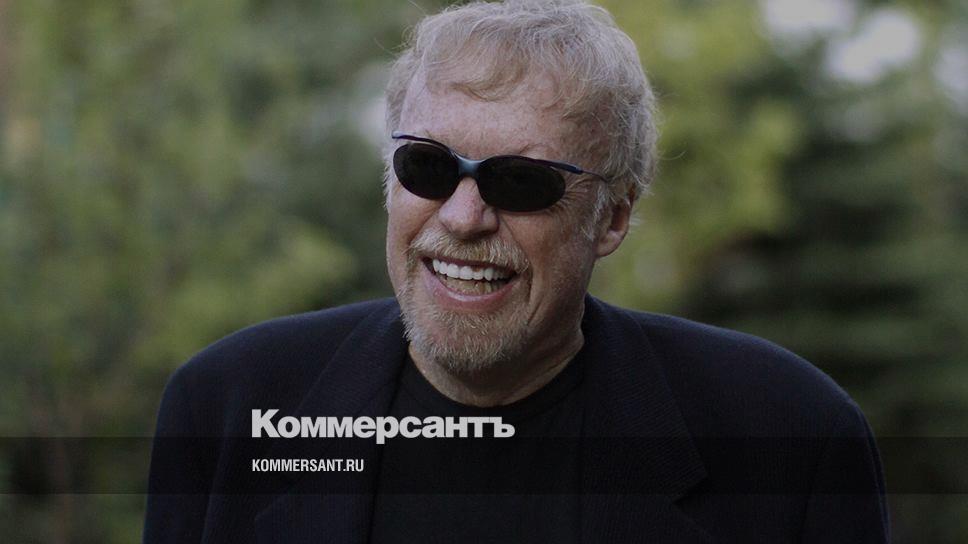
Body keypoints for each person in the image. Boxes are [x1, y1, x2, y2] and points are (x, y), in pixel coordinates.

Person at [144, 1, 890, 542]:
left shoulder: (790, 441)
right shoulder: (227, 409)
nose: (463, 216)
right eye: (428, 166)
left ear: (613, 218)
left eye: (521, 182)